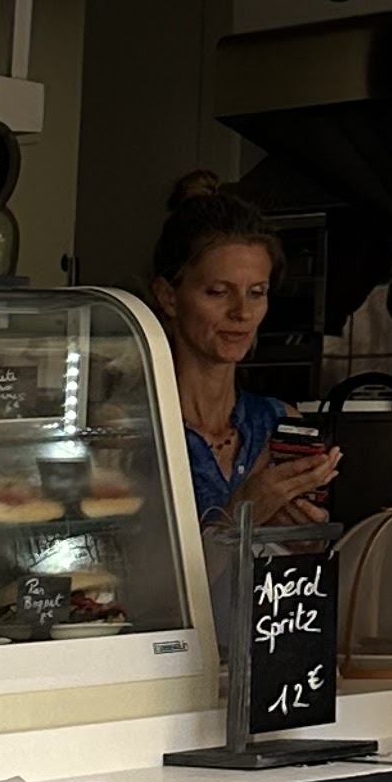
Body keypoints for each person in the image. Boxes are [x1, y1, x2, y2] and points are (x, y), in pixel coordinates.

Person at [147, 176, 339, 529]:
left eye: (256, 292)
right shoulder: (134, 433)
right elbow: (115, 560)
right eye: (219, 292)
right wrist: (241, 516)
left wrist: (305, 537)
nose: (242, 313)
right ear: (168, 296)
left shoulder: (281, 424)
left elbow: (299, 558)